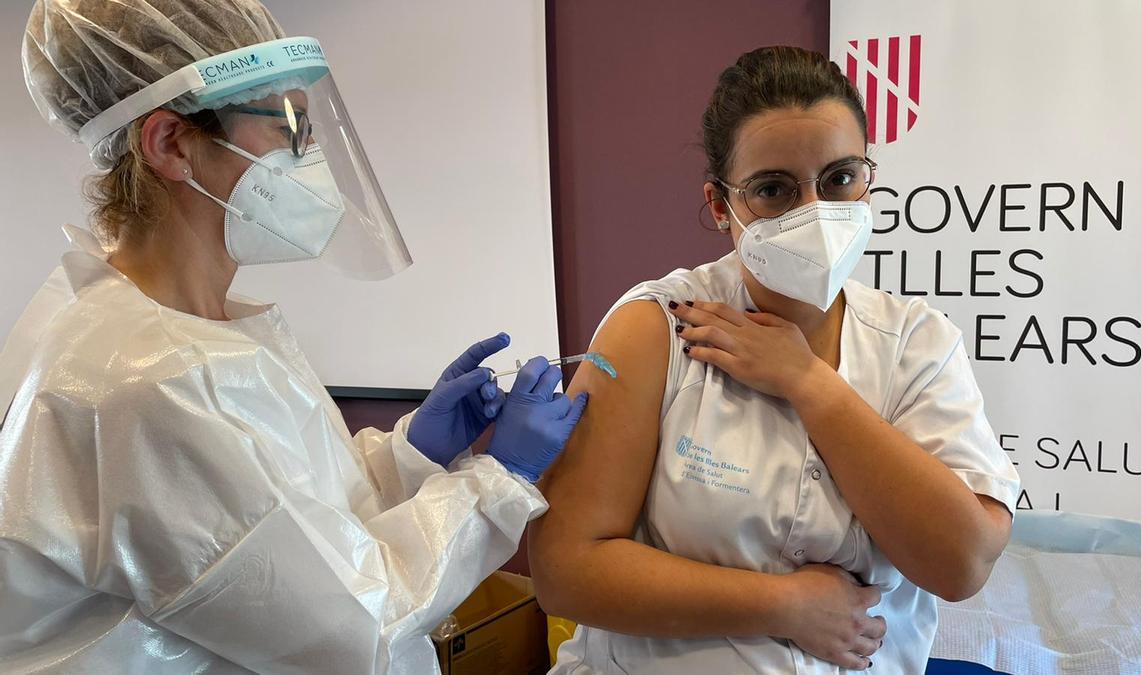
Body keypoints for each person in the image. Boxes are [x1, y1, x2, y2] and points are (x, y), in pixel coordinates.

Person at [0, 1, 586, 672]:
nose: (311, 165)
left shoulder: (202, 332)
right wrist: (500, 479)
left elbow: (297, 519)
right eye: (290, 131)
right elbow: (354, 623)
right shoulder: (146, 381)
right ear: (169, 143)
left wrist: (413, 452)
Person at [529, 46, 1020, 674]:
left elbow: (962, 564)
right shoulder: (653, 329)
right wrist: (783, 605)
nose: (813, 211)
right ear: (719, 205)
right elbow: (566, 571)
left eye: (841, 177)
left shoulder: (917, 345)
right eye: (773, 189)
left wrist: (809, 382)